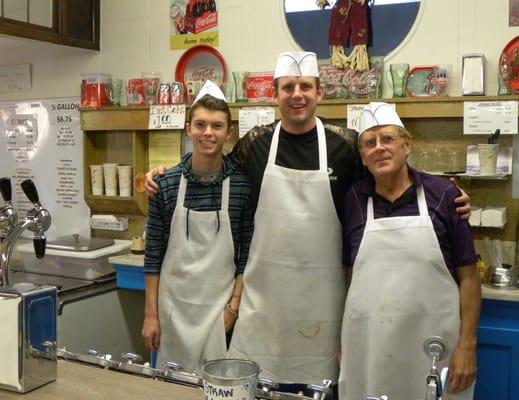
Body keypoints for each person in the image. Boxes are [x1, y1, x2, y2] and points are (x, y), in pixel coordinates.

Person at [145, 52, 471, 394]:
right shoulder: (255, 143)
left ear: (320, 93)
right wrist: (166, 172)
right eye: (288, 87)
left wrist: (445, 192)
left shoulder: (344, 145)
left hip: (323, 309)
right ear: (276, 94)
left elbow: (387, 173)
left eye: (304, 86)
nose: (296, 94)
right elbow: (212, 162)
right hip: (264, 307)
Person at [339, 102, 480, 400]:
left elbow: (469, 278)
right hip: (370, 346)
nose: (379, 148)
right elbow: (351, 275)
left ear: (407, 144)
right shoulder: (353, 199)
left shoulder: (445, 196)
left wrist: (467, 346)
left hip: (433, 347)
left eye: (388, 138)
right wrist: (344, 343)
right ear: (362, 157)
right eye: (370, 142)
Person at [141, 80, 253, 373]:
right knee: (173, 389)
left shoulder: (241, 185)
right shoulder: (164, 184)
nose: (208, 133)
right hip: (173, 311)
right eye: (200, 124)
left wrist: (233, 308)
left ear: (229, 133)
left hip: (219, 312)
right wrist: (150, 315)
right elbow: (153, 256)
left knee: (218, 387)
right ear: (188, 128)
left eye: (217, 126)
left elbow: (247, 255)